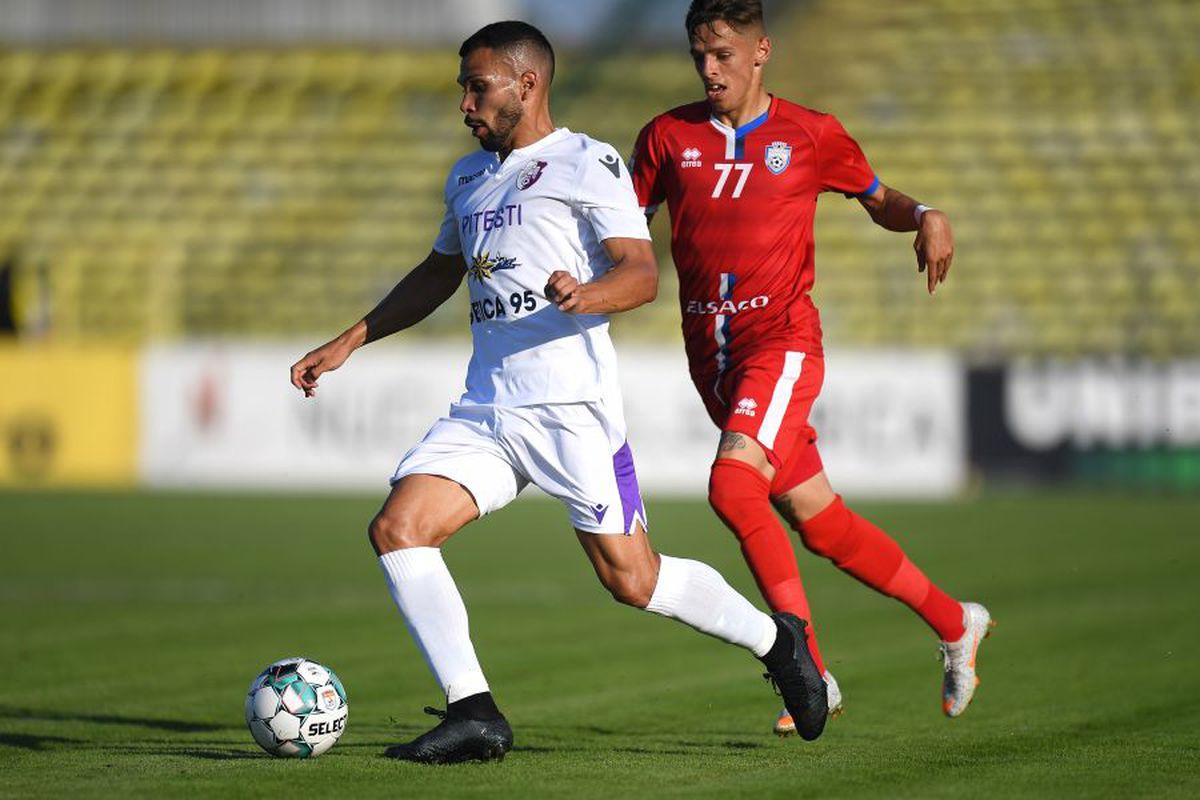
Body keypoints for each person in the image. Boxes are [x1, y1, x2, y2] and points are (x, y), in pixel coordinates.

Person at [289, 20, 830, 764]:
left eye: (477, 88)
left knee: (633, 579)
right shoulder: (468, 177)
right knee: (399, 528)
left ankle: (777, 640)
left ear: (527, 83)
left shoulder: (587, 162)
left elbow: (641, 273)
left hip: (572, 410)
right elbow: (440, 271)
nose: (466, 105)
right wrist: (351, 337)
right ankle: (474, 711)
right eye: (463, 90)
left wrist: (587, 294)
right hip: (487, 409)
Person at [629, 0, 994, 736]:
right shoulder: (667, 136)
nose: (709, 70)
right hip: (711, 354)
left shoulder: (809, 133)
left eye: (723, 55)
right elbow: (622, 229)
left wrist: (925, 212)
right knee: (819, 522)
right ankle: (957, 622)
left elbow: (878, 198)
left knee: (733, 488)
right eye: (699, 55)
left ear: (761, 51)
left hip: (781, 340)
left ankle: (808, 673)